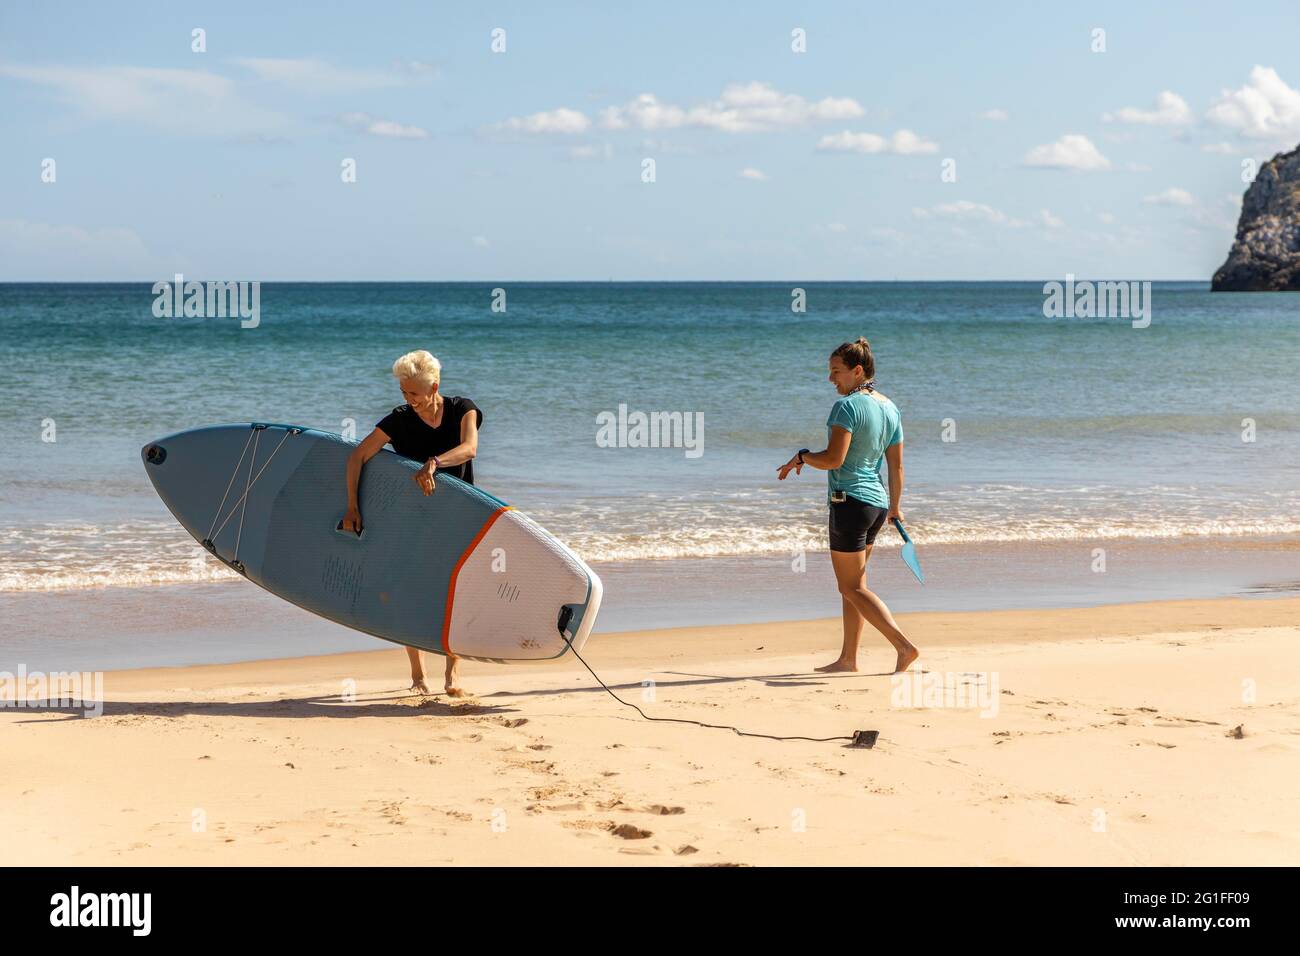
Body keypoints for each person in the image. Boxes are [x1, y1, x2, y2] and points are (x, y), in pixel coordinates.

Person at [342, 349, 482, 697]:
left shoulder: (463, 409)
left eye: (414, 393)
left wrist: (433, 462)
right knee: (407, 590)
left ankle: (452, 672)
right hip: (409, 517)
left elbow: (469, 449)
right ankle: (418, 676)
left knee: (452, 590)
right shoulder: (399, 419)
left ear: (434, 386)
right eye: (404, 392)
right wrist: (352, 507)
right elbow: (358, 456)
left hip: (455, 514)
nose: (409, 399)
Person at [777, 337, 919, 674]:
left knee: (850, 587)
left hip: (850, 503)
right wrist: (895, 506)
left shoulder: (847, 408)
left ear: (858, 371)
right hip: (877, 505)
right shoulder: (890, 408)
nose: (831, 379)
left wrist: (801, 456)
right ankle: (848, 659)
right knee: (856, 587)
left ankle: (903, 646)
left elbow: (832, 459)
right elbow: (896, 467)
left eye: (836, 372)